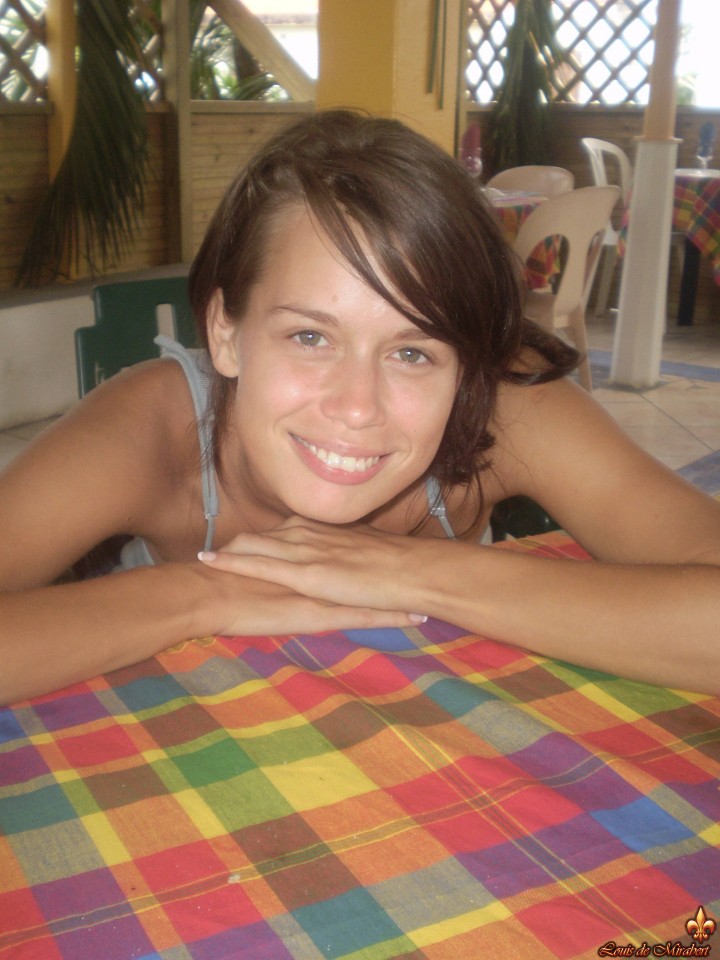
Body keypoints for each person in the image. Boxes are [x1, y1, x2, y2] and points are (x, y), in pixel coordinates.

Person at [1, 109, 719, 706]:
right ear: (225, 332)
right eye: (310, 337)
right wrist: (201, 594)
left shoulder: (508, 406)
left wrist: (409, 569)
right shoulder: (156, 429)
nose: (355, 408)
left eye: (414, 352)